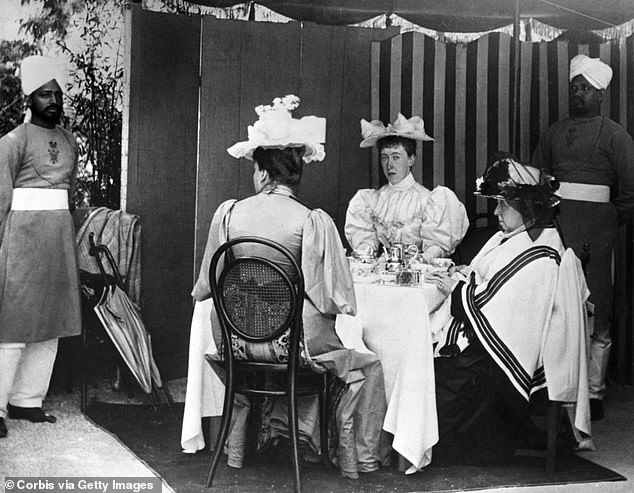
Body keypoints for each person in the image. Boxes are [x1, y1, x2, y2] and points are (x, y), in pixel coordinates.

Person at [191, 95, 388, 478]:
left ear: (263, 173)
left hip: (236, 344)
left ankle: (237, 452)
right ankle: (355, 459)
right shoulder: (311, 221)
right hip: (292, 349)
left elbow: (205, 286)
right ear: (294, 174)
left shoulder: (229, 214)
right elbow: (337, 299)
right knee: (367, 364)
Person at [424, 154, 591, 464]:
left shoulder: (541, 255)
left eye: (504, 204)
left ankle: (443, 437)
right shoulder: (516, 238)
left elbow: (494, 307)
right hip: (506, 332)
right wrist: (463, 276)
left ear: (526, 208)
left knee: (440, 360)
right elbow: (494, 285)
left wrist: (456, 289)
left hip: (513, 352)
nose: (497, 210)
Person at [532, 54, 634, 420]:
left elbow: (630, 191)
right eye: (574, 87)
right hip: (556, 228)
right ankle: (554, 390)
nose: (577, 93)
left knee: (598, 310)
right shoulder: (554, 133)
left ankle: (593, 391)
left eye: (585, 88)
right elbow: (536, 182)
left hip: (598, 232)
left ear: (601, 93)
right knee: (556, 306)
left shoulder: (616, 135)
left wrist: (607, 221)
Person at [0, 55, 81, 438]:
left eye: (57, 94)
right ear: (29, 99)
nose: (53, 101)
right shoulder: (11, 142)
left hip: (58, 243)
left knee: (51, 323)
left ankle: (27, 400)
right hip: (21, 243)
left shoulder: (70, 141)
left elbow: (71, 195)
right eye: (44, 94)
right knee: (12, 326)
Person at [345, 113, 469, 261]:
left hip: (418, 275)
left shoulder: (430, 200)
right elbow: (365, 244)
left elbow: (436, 248)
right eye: (384, 158)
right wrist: (365, 253)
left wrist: (422, 260)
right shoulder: (370, 201)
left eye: (396, 157)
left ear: (411, 159)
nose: (389, 165)